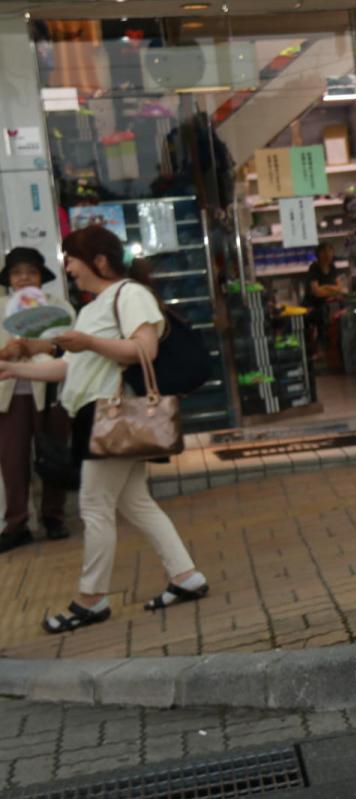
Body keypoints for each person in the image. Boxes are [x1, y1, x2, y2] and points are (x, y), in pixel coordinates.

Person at [0, 226, 209, 633]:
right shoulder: (95, 305)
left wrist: (88, 343)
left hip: (113, 417)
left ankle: (90, 600)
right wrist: (13, 369)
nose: (68, 268)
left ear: (97, 260)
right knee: (135, 503)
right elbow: (70, 367)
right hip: (99, 419)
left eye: (71, 259)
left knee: (94, 506)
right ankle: (185, 577)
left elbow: (143, 349)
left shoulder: (128, 295)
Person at [0, 247, 74, 552]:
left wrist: (38, 347)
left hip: (52, 392)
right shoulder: (1, 307)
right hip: (9, 394)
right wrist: (7, 352)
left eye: (31, 272)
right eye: (17, 273)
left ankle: (53, 516)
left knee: (54, 451)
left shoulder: (61, 308)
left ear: (41, 277)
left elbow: (71, 348)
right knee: (12, 459)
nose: (24, 279)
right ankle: (17, 523)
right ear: (9, 279)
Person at [303, 242, 346, 360]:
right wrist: (332, 289)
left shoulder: (332, 267)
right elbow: (316, 292)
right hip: (312, 305)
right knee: (321, 318)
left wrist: (326, 288)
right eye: (324, 251)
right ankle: (319, 350)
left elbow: (339, 288)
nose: (327, 254)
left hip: (328, 303)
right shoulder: (314, 268)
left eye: (330, 251)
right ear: (319, 254)